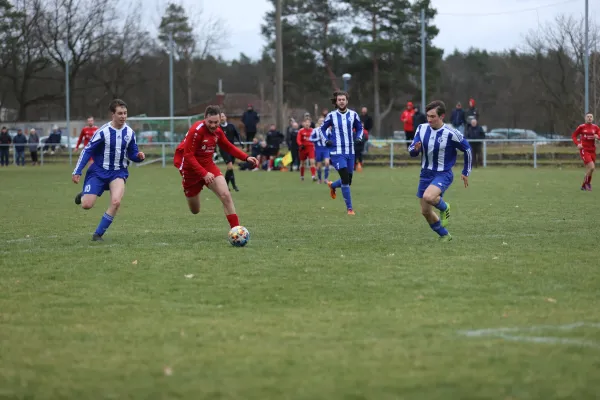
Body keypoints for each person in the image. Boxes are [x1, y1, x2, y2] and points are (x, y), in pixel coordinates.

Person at [173, 105, 259, 229]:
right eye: (210, 122)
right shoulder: (196, 131)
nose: (213, 125)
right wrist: (203, 174)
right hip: (191, 170)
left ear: (220, 120)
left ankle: (236, 231)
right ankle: (192, 190)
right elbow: (188, 156)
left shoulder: (218, 132)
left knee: (226, 195)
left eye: (216, 122)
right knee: (195, 210)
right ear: (204, 119)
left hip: (208, 166)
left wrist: (246, 157)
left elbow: (228, 146)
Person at [72, 99, 146, 241]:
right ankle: (84, 194)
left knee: (116, 202)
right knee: (86, 205)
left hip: (118, 172)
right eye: (120, 113)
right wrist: (77, 171)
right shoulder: (103, 132)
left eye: (125, 113)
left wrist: (139, 157)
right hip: (99, 172)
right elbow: (87, 150)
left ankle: (98, 234)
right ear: (113, 114)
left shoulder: (129, 133)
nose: (123, 116)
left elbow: (132, 153)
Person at [408, 100, 472, 241]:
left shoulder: (451, 133)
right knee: (425, 211)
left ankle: (445, 208)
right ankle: (444, 235)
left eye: (433, 116)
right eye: (428, 116)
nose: (429, 119)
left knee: (429, 197)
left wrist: (466, 171)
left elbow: (467, 149)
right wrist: (415, 149)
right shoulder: (421, 128)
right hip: (425, 173)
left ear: (442, 116)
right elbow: (411, 150)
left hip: (443, 173)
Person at [313, 90, 364, 215]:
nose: (341, 101)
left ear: (347, 101)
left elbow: (360, 128)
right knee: (345, 180)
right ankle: (350, 209)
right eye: (339, 99)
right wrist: (326, 140)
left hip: (350, 151)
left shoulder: (353, 114)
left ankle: (333, 185)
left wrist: (359, 137)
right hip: (337, 151)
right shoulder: (331, 115)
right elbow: (322, 130)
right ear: (336, 101)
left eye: (343, 99)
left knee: (348, 179)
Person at [572, 113, 600, 191]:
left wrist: (598, 137)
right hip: (584, 150)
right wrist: (577, 144)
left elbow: (599, 135)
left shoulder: (596, 127)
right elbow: (574, 136)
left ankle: (584, 186)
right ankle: (588, 183)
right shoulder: (581, 127)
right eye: (588, 117)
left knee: (589, 169)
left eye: (591, 117)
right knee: (592, 167)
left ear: (593, 118)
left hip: (592, 150)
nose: (589, 118)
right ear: (585, 118)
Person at [219, 112, 243, 192]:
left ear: (225, 117)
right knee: (230, 167)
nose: (221, 118)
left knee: (230, 168)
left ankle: (229, 186)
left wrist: (240, 142)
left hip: (232, 149)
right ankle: (231, 186)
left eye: (223, 116)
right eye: (220, 117)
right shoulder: (218, 128)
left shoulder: (231, 126)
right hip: (223, 149)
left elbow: (237, 134)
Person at [311, 116, 330, 184]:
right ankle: (319, 179)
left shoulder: (327, 130)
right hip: (318, 149)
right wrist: (317, 139)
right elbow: (311, 139)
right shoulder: (315, 130)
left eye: (323, 121)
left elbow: (331, 138)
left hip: (326, 149)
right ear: (318, 122)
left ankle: (326, 179)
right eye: (320, 121)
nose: (322, 122)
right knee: (319, 165)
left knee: (327, 163)